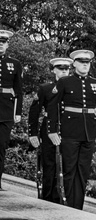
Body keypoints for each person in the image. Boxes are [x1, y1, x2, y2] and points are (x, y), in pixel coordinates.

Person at [46, 49, 96, 210]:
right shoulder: (65, 82)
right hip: (70, 131)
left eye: (87, 63)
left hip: (89, 132)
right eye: (81, 62)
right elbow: (53, 107)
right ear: (74, 64)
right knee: (69, 170)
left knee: (83, 171)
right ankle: (66, 204)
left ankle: (77, 207)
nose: (85, 65)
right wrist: (52, 130)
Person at [28, 57, 71, 203]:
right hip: (49, 129)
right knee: (49, 164)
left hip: (69, 129)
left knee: (67, 164)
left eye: (66, 69)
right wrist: (33, 134)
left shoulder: (74, 89)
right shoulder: (46, 89)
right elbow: (34, 112)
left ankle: (63, 197)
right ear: (54, 70)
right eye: (60, 69)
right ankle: (47, 198)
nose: (64, 71)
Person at [0, 29, 23, 191]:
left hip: (6, 111)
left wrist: (18, 112)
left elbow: (18, 90)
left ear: (7, 45)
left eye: (3, 43)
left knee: (1, 147)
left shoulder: (15, 64)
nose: (0, 46)